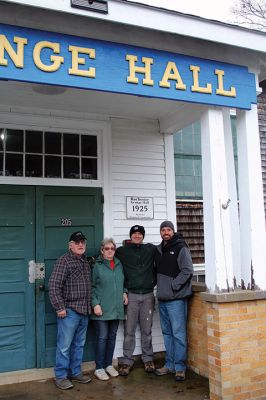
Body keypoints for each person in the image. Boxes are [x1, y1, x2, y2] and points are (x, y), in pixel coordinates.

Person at [49, 231, 92, 390]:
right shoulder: (64, 261)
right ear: (71, 245)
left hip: (84, 311)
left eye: (83, 242)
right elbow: (54, 286)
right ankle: (60, 376)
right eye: (77, 242)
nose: (81, 245)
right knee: (65, 346)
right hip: (69, 311)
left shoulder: (84, 262)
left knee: (79, 345)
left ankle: (75, 372)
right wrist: (59, 307)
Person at [154, 221, 193, 382]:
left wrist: (173, 285)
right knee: (167, 334)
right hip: (162, 299)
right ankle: (169, 365)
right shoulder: (158, 249)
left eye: (168, 229)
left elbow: (187, 270)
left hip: (176, 300)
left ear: (173, 231)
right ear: (160, 232)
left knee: (178, 334)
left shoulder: (180, 247)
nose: (166, 232)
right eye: (163, 230)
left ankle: (180, 367)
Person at [116, 225, 157, 376]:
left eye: (140, 233)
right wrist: (122, 290)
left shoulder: (151, 249)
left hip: (148, 295)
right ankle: (127, 361)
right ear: (130, 236)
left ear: (143, 236)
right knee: (129, 331)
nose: (137, 236)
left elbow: (165, 254)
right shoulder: (122, 251)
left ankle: (148, 359)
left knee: (147, 330)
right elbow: (110, 262)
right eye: (134, 233)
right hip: (131, 295)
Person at [91, 238, 128, 381]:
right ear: (102, 250)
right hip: (102, 308)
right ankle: (99, 367)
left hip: (116, 308)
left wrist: (124, 292)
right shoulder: (97, 266)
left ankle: (108, 364)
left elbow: (122, 281)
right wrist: (95, 304)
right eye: (107, 248)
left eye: (112, 248)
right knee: (102, 337)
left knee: (112, 337)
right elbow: (91, 286)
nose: (110, 251)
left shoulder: (118, 264)